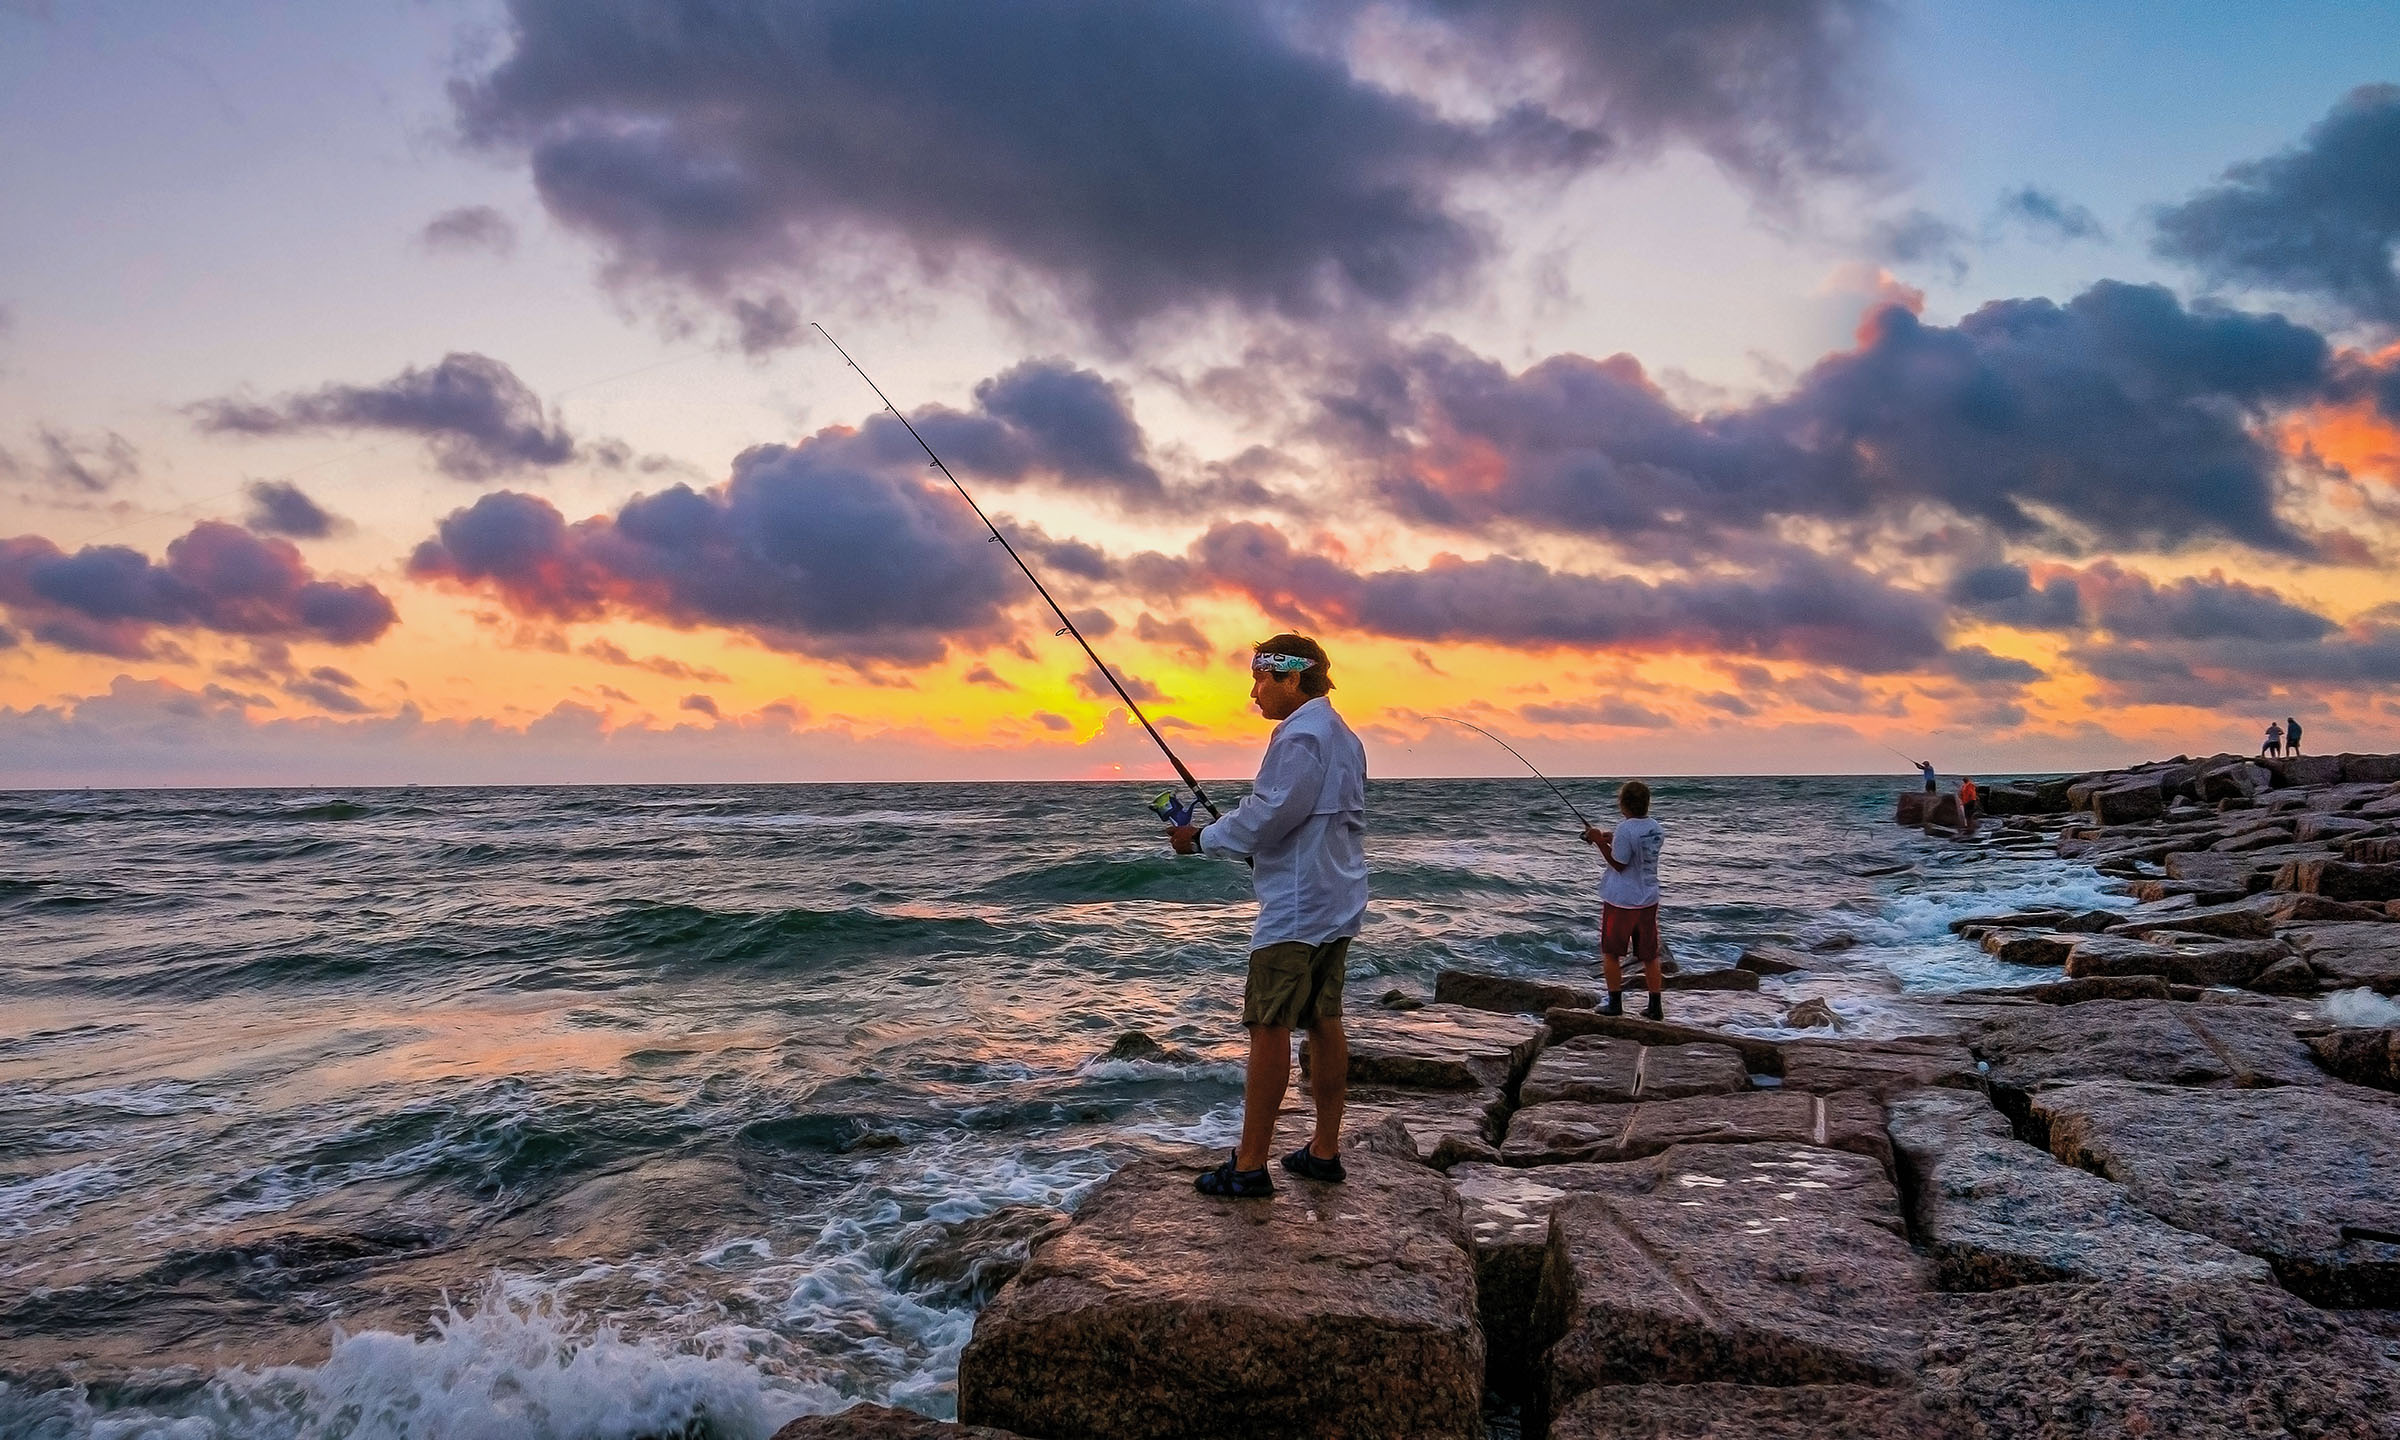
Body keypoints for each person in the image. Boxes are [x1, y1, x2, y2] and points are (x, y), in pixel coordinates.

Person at [1168, 634, 1367, 1199]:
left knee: (1268, 1024)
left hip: (1298, 907)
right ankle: (1323, 1151)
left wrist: (1200, 838)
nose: (1253, 691)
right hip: (1336, 895)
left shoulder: (1301, 735)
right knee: (1324, 1018)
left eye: (1261, 679)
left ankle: (1251, 1165)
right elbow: (1307, 817)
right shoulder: (1343, 735)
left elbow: (1269, 815)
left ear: (1292, 678)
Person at [1583, 781, 1665, 1022]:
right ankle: (1655, 1006)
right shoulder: (1656, 828)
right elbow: (1635, 851)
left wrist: (1599, 841)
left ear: (1623, 804)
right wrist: (1610, 838)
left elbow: (1619, 863)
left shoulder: (1625, 829)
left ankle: (1614, 1003)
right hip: (1648, 898)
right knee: (1650, 955)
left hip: (1622, 901)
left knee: (1611, 952)